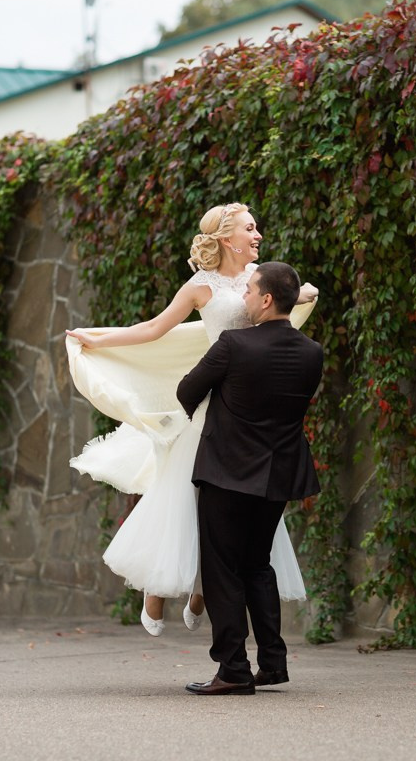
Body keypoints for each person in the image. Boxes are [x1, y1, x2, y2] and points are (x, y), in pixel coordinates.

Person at [65, 203, 318, 636]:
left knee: (237, 501)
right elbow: (154, 328)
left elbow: (284, 306)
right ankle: (158, 586)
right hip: (212, 398)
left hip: (247, 406)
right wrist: (99, 339)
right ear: (228, 238)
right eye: (250, 228)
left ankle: (203, 589)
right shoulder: (200, 286)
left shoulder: (261, 279)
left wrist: (305, 293)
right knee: (186, 492)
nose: (258, 234)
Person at [177, 261, 323, 695]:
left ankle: (234, 670)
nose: (243, 297)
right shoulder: (311, 352)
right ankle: (272, 664)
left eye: (249, 291)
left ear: (266, 299)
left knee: (222, 568)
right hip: (279, 473)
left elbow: (187, 390)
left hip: (227, 470)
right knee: (258, 564)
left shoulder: (234, 344)